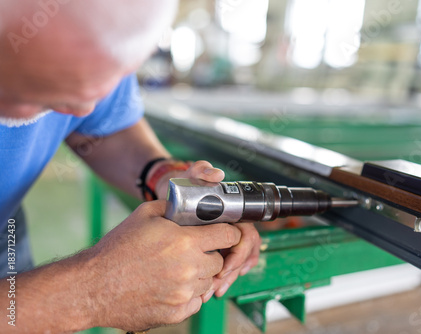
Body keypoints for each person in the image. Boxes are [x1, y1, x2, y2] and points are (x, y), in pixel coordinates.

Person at [0, 0, 261, 332]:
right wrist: (90, 292)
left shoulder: (89, 35)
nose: (81, 109)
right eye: (41, 94)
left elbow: (102, 126)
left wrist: (167, 180)